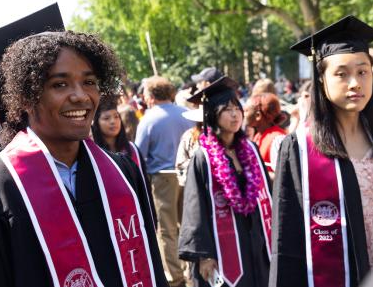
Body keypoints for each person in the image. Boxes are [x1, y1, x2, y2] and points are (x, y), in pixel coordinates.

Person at [0, 4, 168, 287]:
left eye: (89, 81)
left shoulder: (123, 173)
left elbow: (150, 266)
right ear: (25, 98)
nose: (81, 96)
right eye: (60, 85)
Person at [270, 15, 373, 287]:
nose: (355, 83)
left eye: (362, 71)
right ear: (321, 80)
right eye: (341, 74)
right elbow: (287, 238)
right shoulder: (299, 149)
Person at [178, 76, 271, 287]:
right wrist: (204, 255)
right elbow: (195, 208)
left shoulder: (251, 150)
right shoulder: (203, 157)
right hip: (221, 246)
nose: (235, 114)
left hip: (255, 239)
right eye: (227, 109)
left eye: (237, 108)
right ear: (212, 115)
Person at [135, 75, 193, 287]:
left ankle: (175, 276)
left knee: (167, 231)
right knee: (188, 224)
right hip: (188, 175)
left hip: (163, 178)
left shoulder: (149, 119)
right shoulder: (186, 113)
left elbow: (139, 153)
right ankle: (191, 269)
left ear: (150, 95)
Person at [91, 96, 156, 224]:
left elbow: (144, 186)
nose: (113, 122)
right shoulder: (93, 153)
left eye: (116, 117)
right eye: (106, 118)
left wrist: (151, 217)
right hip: (108, 218)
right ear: (96, 123)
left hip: (136, 214)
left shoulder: (132, 150)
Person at [244, 93, 287, 174]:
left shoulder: (277, 139)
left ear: (258, 115)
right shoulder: (258, 135)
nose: (243, 114)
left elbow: (282, 177)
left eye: (246, 111)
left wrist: (257, 174)